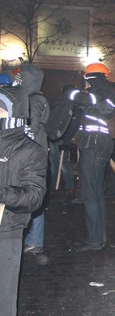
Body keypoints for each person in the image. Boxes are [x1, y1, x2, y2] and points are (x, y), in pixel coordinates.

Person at [0, 86, 47, 316]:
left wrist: (3, 194)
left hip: (6, 231)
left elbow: (34, 196)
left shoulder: (29, 151)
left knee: (3, 300)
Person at [68, 63, 115, 252]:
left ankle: (94, 240)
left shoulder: (99, 92)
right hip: (99, 145)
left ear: (90, 77)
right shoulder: (105, 91)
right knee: (97, 193)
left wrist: (74, 94)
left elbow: (102, 107)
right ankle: (99, 237)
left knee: (90, 194)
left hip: (93, 146)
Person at [16, 64, 49, 256]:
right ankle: (32, 238)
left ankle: (35, 240)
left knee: (32, 197)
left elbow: (30, 128)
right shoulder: (35, 97)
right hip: (34, 154)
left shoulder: (33, 100)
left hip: (31, 157)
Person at [48, 84, 81, 195]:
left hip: (58, 137)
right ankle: (57, 185)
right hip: (56, 136)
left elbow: (72, 125)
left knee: (61, 163)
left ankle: (67, 185)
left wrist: (66, 141)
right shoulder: (61, 104)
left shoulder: (72, 106)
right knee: (56, 162)